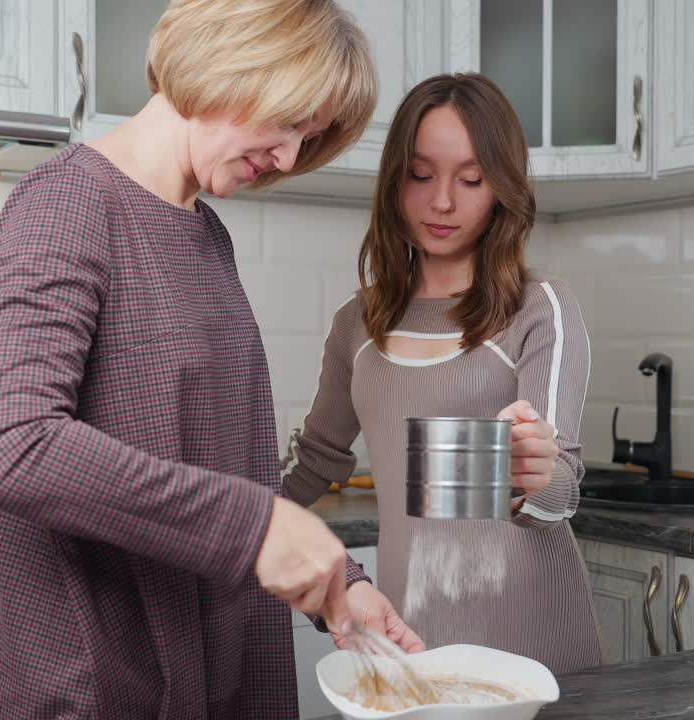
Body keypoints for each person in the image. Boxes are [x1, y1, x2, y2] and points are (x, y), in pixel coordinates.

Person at [0, 1, 420, 718]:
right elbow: (9, 445)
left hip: (206, 661)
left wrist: (338, 586)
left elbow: (219, 464)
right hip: (94, 681)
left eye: (314, 135)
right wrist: (258, 528)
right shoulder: (67, 201)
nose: (292, 158)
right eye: (293, 121)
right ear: (230, 63)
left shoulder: (206, 234)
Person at [281, 72, 605, 674]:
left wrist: (537, 473)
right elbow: (319, 458)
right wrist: (239, 525)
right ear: (394, 180)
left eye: (472, 179)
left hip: (535, 646)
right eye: (421, 175)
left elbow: (562, 491)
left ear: (502, 186)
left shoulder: (539, 308)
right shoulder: (359, 322)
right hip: (413, 642)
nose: (443, 202)